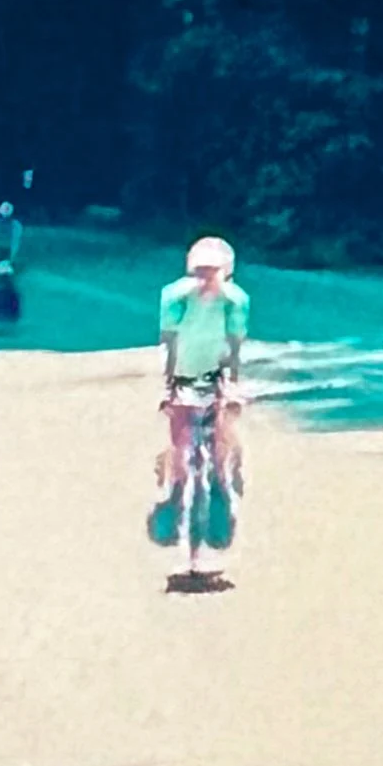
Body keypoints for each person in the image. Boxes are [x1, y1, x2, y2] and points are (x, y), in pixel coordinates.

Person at [152, 238, 249, 578]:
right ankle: (175, 481)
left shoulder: (235, 302)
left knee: (219, 446)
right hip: (183, 378)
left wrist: (232, 386)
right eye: (201, 272)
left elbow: (234, 347)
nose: (206, 279)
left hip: (215, 377)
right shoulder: (174, 298)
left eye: (213, 272)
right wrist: (167, 386)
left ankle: (223, 477)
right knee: (184, 452)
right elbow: (168, 342)